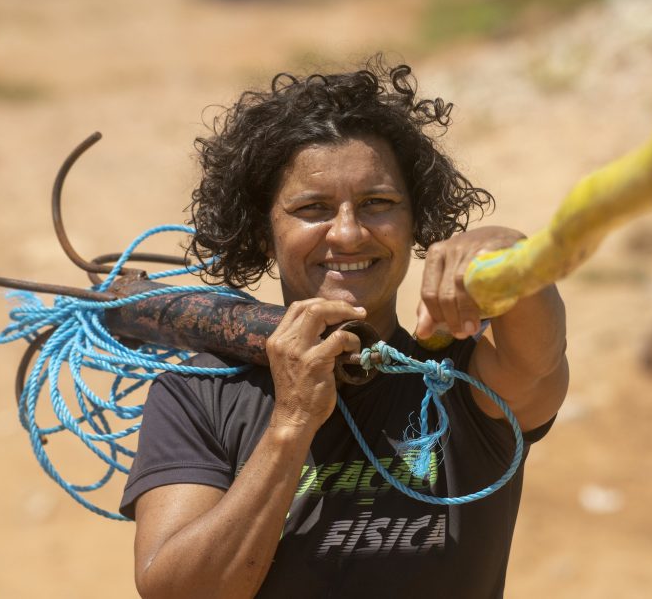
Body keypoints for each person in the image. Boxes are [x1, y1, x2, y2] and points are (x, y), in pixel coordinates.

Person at [120, 57, 569, 598]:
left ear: (414, 220)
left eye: (378, 203)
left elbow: (540, 357)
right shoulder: (199, 394)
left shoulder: (464, 379)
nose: (349, 233)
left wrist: (510, 251)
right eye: (313, 209)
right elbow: (177, 591)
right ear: (265, 233)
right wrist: (291, 423)